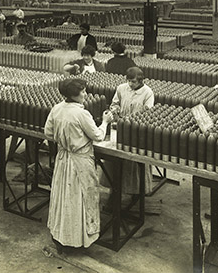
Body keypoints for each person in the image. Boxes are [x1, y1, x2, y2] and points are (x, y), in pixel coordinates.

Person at [44, 78, 113, 252]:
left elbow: (48, 132)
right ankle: (78, 241)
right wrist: (105, 122)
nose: (85, 94)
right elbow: (97, 136)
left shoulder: (57, 109)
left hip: (63, 159)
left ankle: (61, 236)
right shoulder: (82, 114)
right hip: (80, 161)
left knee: (63, 197)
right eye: (82, 92)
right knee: (80, 199)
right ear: (74, 95)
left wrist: (65, 139)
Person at [103, 67, 154, 198]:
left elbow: (148, 113)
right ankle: (114, 190)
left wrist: (133, 120)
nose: (130, 84)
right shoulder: (121, 88)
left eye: (133, 82)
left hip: (137, 131)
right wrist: (115, 111)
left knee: (134, 163)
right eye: (129, 81)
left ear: (141, 81)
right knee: (116, 156)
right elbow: (114, 103)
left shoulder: (148, 93)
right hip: (120, 128)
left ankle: (136, 193)